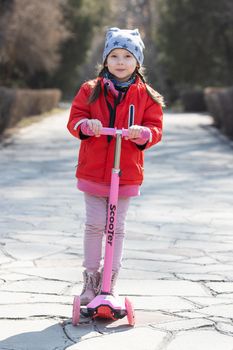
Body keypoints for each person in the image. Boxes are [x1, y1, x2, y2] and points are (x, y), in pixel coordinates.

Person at [67, 27, 164, 305]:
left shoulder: (146, 94)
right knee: (95, 225)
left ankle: (110, 281)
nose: (120, 62)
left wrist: (143, 132)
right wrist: (87, 125)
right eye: (114, 56)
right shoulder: (90, 90)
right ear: (105, 61)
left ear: (137, 62)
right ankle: (91, 279)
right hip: (95, 171)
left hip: (126, 173)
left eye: (127, 56)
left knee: (116, 228)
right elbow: (75, 120)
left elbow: (155, 127)